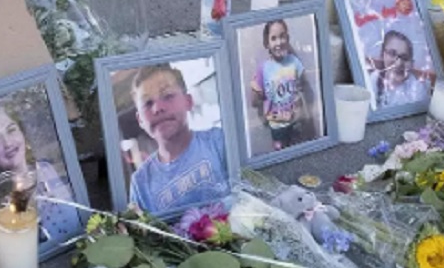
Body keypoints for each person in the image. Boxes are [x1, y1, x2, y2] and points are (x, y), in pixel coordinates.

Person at [0, 102, 78, 257]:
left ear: (22, 132)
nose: (8, 143)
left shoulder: (45, 169)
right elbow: (1, 264)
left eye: (11, 130)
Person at [127, 63, 230, 215]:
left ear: (188, 101)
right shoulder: (141, 183)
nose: (158, 108)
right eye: (148, 103)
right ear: (140, 120)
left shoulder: (219, 142)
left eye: (168, 96)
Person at [249, 19, 310, 151]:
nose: (279, 42)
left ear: (287, 38)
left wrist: (299, 97)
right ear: (267, 43)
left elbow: (303, 83)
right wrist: (256, 92)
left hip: (295, 120)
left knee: (296, 150)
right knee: (280, 152)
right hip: (277, 125)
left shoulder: (294, 62)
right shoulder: (263, 69)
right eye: (273, 38)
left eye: (282, 36)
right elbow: (254, 103)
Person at [366, 29, 430, 108]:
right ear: (383, 54)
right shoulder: (371, 80)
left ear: (411, 63)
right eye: (392, 53)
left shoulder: (417, 91)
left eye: (405, 58)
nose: (399, 63)